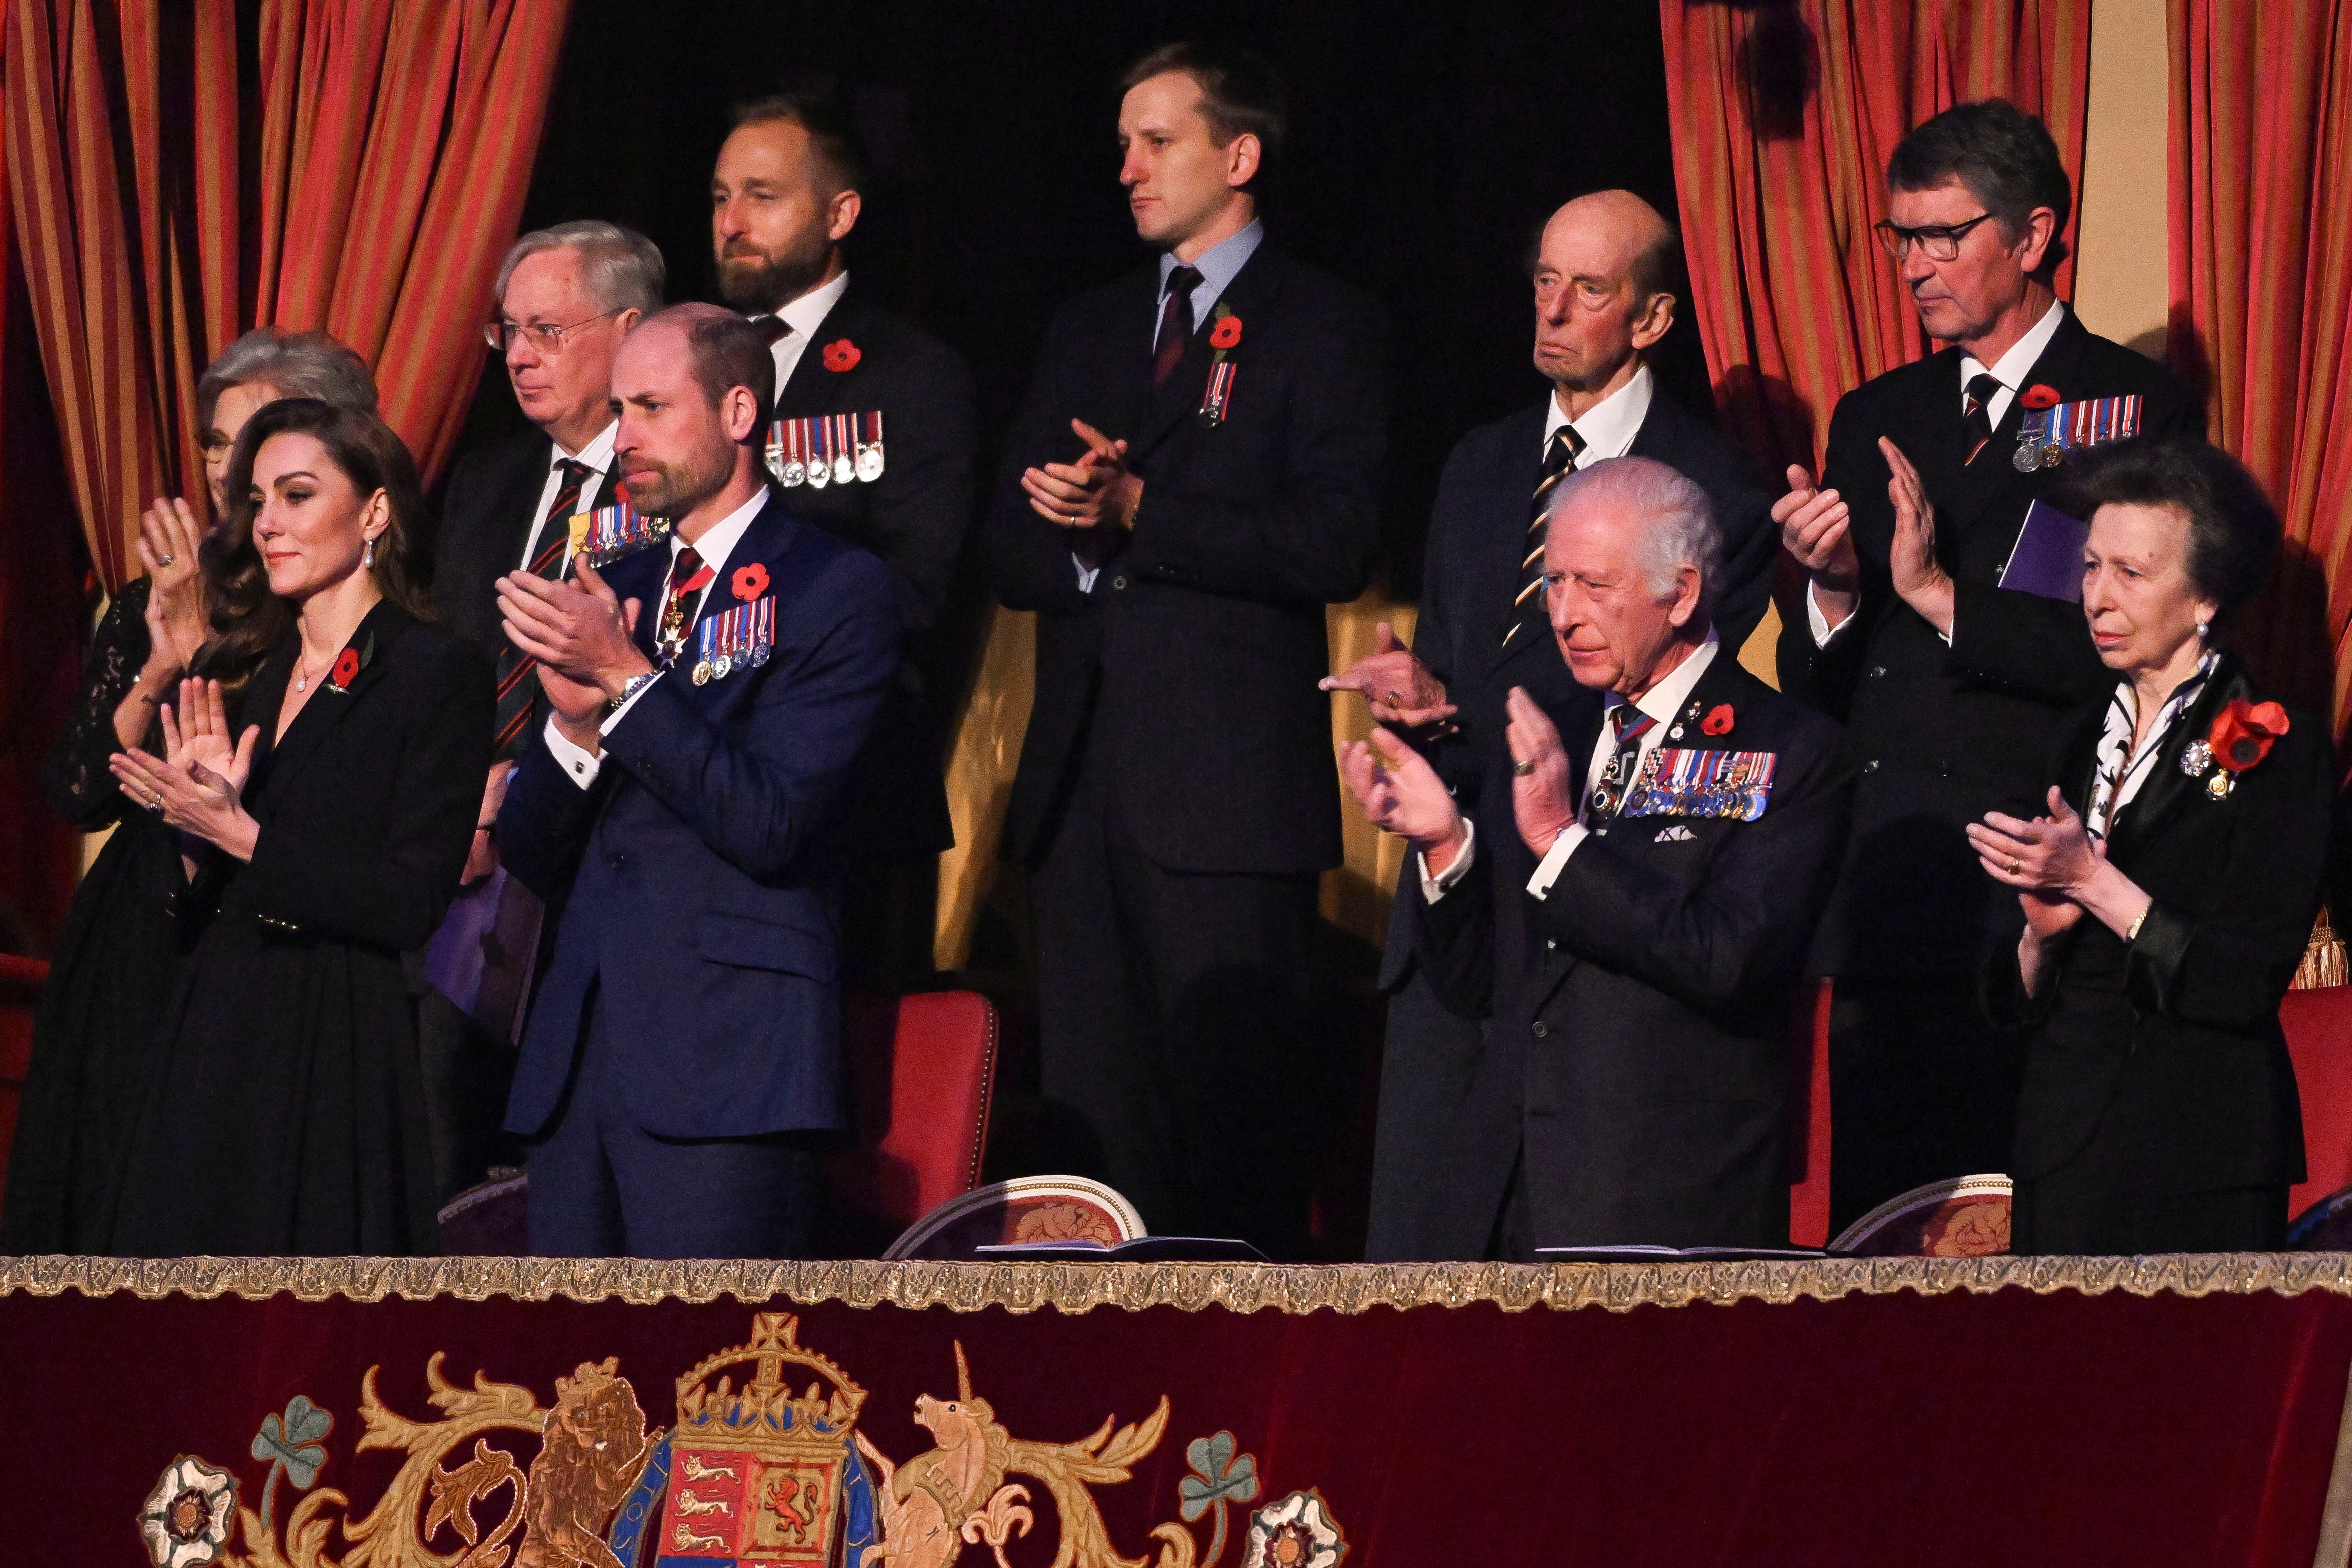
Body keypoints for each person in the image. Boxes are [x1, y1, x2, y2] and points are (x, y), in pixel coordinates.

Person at [1318, 190, 1780, 1260]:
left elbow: (1661, 712)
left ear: (1651, 319)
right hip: (1448, 913)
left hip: (1582, 939)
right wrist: (1416, 700)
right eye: (1542, 281)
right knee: (1419, 1276)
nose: (1554, 309)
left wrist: (1463, 715)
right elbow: (1450, 663)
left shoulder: (1708, 487)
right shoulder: (1479, 464)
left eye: (1589, 288)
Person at [1769, 99, 2203, 1231]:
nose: (1913, 267)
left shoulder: (2127, 407)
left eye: (1941, 237)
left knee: (2020, 1245)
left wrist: (1930, 593)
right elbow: (1824, 686)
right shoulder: (1879, 410)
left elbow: (2115, 646)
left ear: (2033, 234)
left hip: (2030, 871)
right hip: (1888, 875)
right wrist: (1826, 585)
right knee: (1883, 1242)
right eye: (1898, 238)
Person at [988, 42, 1387, 1258]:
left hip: (1224, 804)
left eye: (1156, 142)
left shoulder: (1323, 323)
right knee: (1102, 1152)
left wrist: (1143, 513)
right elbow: (1003, 546)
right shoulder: (1091, 324)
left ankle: (1235, 1418)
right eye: (1122, 144)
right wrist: (1069, 530)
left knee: (1231, 1144)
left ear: (1239, 155)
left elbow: (1333, 544)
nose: (1128, 169)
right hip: (1079, 799)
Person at [1341, 457, 1852, 1253]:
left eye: (1594, 586)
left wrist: (1561, 844)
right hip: (1506, 1196)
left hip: (1663, 1198)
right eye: (1552, 583)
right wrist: (1445, 846)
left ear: (1681, 593)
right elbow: (1481, 987)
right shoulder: (1553, 731)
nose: (1564, 614)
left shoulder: (1791, 750)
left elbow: (1728, 959)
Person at [494, 303, 899, 1259]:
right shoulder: (616, 581)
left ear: (738, 411)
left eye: (650, 408)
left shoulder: (833, 588)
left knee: (710, 1388)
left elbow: (772, 822)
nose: (622, 437)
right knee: (570, 1395)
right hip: (580, 1059)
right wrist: (572, 725)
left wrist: (629, 684)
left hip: (728, 1062)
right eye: (617, 409)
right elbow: (531, 852)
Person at [1, 330, 377, 1253]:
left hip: (256, 933)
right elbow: (81, 788)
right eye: (215, 442)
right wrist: (164, 661)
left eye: (253, 441)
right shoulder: (161, 596)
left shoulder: (341, 601)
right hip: (136, 932)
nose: (225, 466)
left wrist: (210, 654)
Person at [101, 398, 492, 1255]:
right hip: (213, 1026)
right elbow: (194, 892)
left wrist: (242, 836)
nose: (267, 524)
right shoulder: (257, 673)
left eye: (298, 495)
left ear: (376, 511)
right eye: (259, 501)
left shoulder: (436, 671)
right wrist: (196, 834)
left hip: (331, 1039)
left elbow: (409, 901)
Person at [1966, 440, 2324, 1254]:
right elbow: (2006, 997)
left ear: (2206, 596)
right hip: (2063, 1139)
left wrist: (2095, 883)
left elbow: (2243, 981)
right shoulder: (2072, 736)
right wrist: (2037, 938)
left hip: (2200, 1146)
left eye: (2131, 574)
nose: (2098, 597)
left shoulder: (2276, 742)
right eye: (2091, 568)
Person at [713, 90, 979, 987]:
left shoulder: (911, 373)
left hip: (840, 785)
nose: (733, 222)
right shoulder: (687, 362)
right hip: (687, 774)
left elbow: (919, 589)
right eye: (719, 199)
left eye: (762, 195)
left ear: (841, 214)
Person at [424, 221, 661, 1206]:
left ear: (629, 329)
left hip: (596, 854)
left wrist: (519, 788)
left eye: (547, 331)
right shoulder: (489, 480)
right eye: (506, 332)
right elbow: (443, 670)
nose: (519, 356)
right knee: (435, 1134)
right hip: (458, 866)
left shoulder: (670, 483)